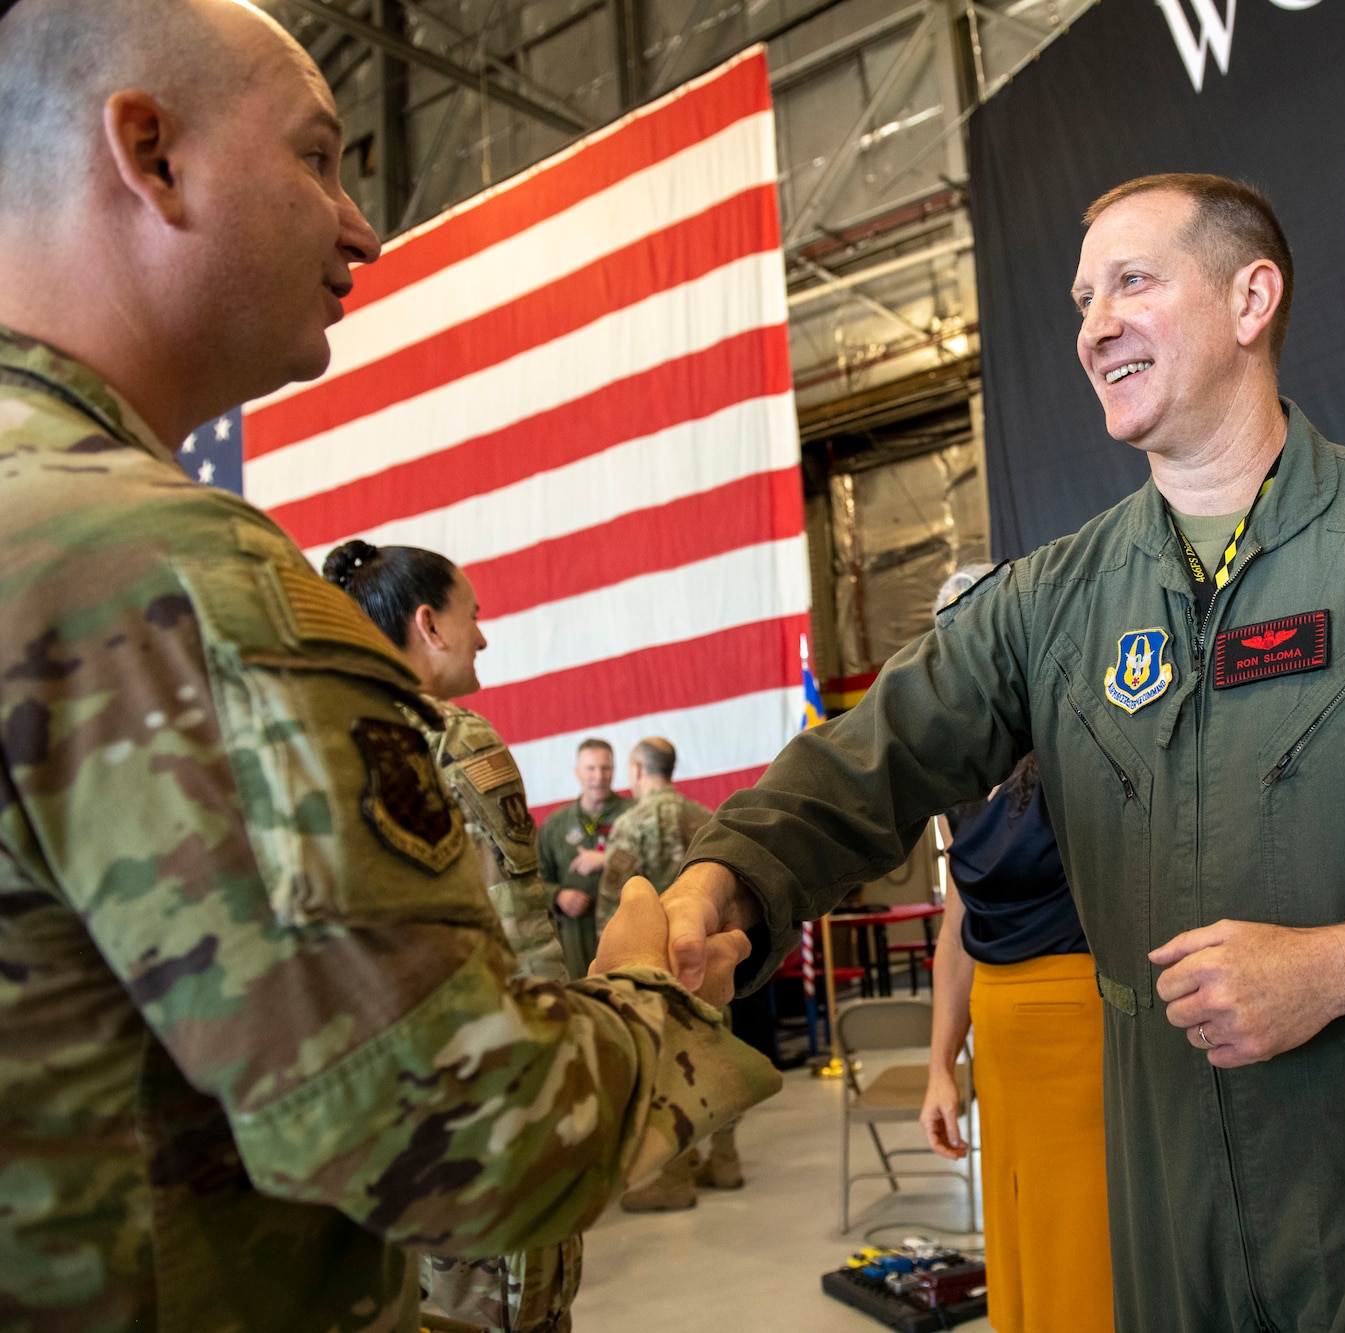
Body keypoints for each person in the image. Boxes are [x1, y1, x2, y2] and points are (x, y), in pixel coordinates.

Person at [657, 172, 1345, 1330]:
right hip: (1166, 1211)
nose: (1094, 323)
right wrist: (724, 878)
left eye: (1132, 281)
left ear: (1251, 298)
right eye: (1079, 298)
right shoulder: (1050, 603)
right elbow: (871, 760)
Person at [0, 3, 778, 1327]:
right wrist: (644, 981)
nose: (360, 225)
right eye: (317, 159)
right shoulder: (166, 575)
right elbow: (466, 1140)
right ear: (153, 153)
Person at [323, 538, 579, 1333]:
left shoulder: (332, 736)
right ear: (428, 624)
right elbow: (521, 928)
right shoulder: (455, 739)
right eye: (475, 617)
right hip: (483, 1095)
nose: (483, 637)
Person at [920, 744, 1115, 1333]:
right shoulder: (962, 781)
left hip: (1078, 1024)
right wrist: (939, 1070)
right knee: (1014, 1220)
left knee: (1082, 1230)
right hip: (998, 1032)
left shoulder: (1080, 756)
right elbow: (954, 939)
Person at [599, 737, 731, 1212]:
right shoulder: (707, 818)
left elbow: (612, 902)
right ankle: (725, 1160)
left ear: (636, 769)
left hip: (653, 967)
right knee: (716, 1055)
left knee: (668, 1071)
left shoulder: (631, 824)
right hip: (710, 958)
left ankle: (674, 1179)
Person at [539, 739, 631, 979]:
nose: (598, 776)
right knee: (585, 997)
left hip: (628, 928)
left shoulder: (635, 816)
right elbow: (536, 879)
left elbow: (659, 865)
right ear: (577, 772)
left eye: (606, 768)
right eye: (590, 768)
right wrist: (558, 895)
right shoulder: (556, 825)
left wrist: (608, 858)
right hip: (576, 935)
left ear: (614, 769)